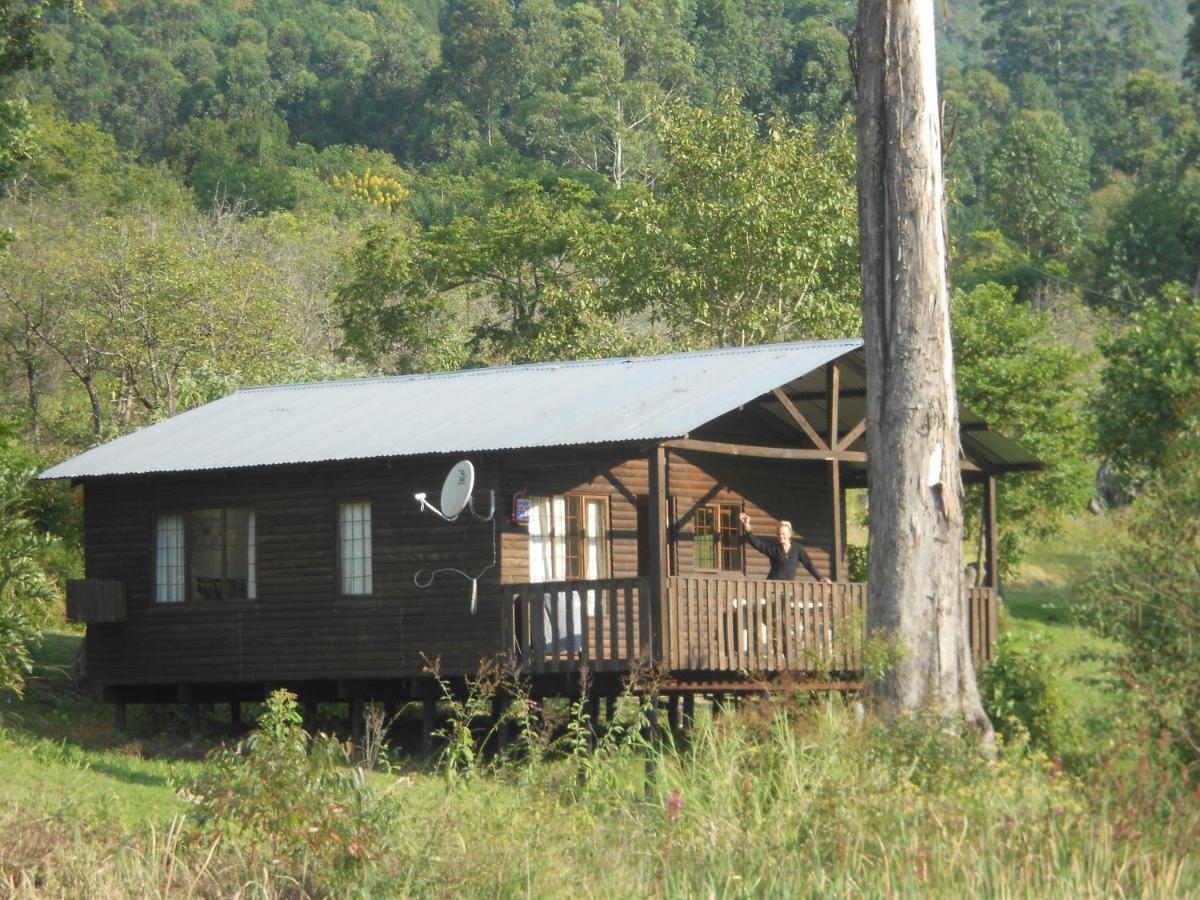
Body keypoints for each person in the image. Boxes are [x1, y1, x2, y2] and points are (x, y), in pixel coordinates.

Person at [739, 512, 832, 583]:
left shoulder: (797, 549)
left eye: (783, 534)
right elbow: (757, 544)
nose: (781, 536)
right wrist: (747, 525)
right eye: (779, 534)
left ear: (789, 534)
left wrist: (820, 578)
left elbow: (809, 565)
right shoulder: (773, 549)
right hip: (772, 588)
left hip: (788, 589)